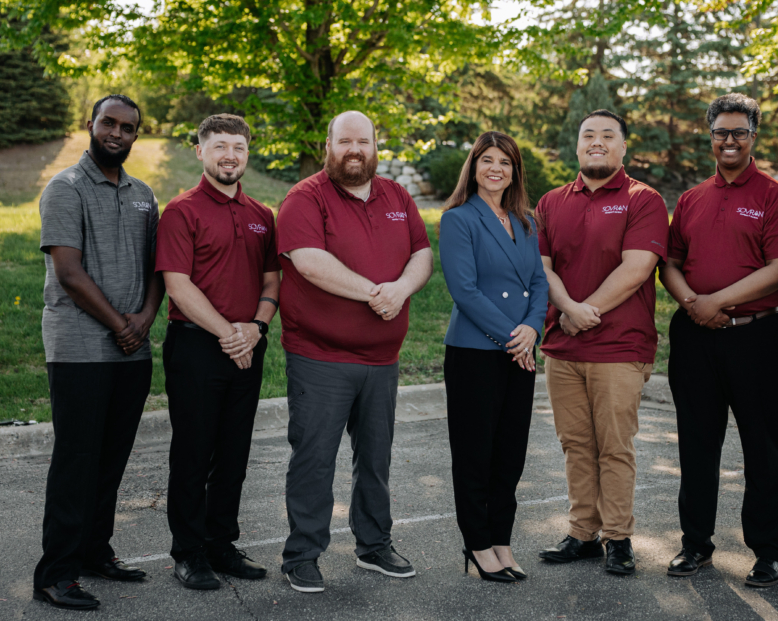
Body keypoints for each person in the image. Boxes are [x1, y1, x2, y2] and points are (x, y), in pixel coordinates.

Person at [276, 111, 434, 593]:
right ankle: (302, 554)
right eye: (344, 141)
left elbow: (422, 253)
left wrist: (401, 289)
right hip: (321, 356)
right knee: (315, 458)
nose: (354, 150)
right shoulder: (305, 197)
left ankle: (374, 546)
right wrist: (374, 292)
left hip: (382, 361)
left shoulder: (397, 196)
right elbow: (309, 262)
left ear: (374, 145)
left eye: (362, 141)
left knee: (376, 458)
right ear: (329, 144)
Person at [659, 93, 778, 587]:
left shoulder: (774, 196)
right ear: (711, 136)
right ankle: (695, 544)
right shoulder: (693, 198)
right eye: (721, 132)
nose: (729, 140)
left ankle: (768, 552)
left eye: (739, 132)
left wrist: (715, 300)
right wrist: (694, 305)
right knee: (697, 445)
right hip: (695, 336)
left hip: (756, 337)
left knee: (762, 446)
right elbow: (670, 263)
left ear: (753, 136)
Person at [33, 95, 164, 610]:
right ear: (91, 125)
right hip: (80, 348)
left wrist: (146, 319)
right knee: (77, 461)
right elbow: (68, 272)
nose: (116, 132)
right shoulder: (64, 188)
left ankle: (94, 552)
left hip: (132, 350)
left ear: (136, 135)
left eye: (127, 127)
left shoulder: (143, 194)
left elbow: (159, 266)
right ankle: (56, 573)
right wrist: (120, 325)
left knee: (111, 460)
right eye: (108, 122)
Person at [535, 109, 669, 575]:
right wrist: (569, 311)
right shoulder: (551, 202)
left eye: (607, 135)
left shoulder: (643, 199)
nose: (597, 142)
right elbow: (542, 268)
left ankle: (618, 537)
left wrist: (581, 310)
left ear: (623, 147)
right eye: (588, 135)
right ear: (576, 146)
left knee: (614, 445)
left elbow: (636, 268)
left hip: (619, 347)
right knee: (575, 444)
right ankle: (581, 533)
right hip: (563, 349)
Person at [155, 114, 281, 590]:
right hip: (196, 346)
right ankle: (188, 553)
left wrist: (255, 328)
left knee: (233, 454)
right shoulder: (181, 211)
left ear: (248, 153)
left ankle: (221, 544)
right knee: (193, 452)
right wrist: (230, 334)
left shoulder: (261, 214)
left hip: (249, 344)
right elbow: (177, 285)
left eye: (239, 147)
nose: (231, 155)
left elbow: (272, 280)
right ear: (201, 151)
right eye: (220, 146)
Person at [438, 132, 549, 583]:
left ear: (515, 170)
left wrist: (533, 329)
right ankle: (478, 544)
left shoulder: (526, 221)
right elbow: (464, 290)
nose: (496, 168)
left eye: (505, 161)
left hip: (518, 351)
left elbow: (540, 283)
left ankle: (502, 538)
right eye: (487, 160)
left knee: (510, 453)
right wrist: (514, 337)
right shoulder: (458, 219)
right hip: (475, 353)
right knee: (475, 453)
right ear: (474, 166)